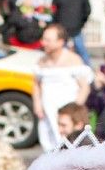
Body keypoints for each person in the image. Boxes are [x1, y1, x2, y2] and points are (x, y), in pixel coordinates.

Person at [32, 24, 92, 152]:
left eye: (48, 40)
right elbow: (36, 84)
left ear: (60, 42)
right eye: (43, 39)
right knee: (50, 147)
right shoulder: (41, 61)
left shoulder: (74, 60)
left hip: (67, 113)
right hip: (47, 113)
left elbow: (85, 87)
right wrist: (37, 104)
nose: (44, 43)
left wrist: (74, 110)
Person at [51, 0, 92, 65]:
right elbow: (87, 10)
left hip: (62, 26)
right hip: (77, 27)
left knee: (61, 51)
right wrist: (82, 22)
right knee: (82, 51)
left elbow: (53, 10)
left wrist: (56, 23)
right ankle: (88, 69)